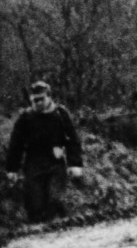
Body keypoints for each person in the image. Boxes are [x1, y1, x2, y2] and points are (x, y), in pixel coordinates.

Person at [5, 81, 84, 223]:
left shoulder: (60, 114)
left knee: (55, 199)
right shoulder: (25, 118)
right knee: (35, 205)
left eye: (41, 99)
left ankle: (56, 227)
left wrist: (75, 164)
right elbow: (16, 144)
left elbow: (72, 140)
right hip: (33, 164)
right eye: (35, 100)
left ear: (49, 97)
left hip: (55, 163)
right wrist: (12, 168)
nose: (39, 103)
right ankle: (39, 230)